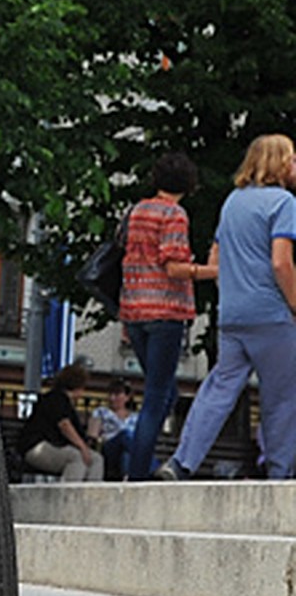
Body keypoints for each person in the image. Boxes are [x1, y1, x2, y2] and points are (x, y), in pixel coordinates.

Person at [158, 134, 296, 480]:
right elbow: (281, 263)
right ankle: (279, 475)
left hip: (233, 315)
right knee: (280, 399)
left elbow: (215, 260)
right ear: (277, 162)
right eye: (292, 159)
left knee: (218, 389)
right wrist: (294, 303)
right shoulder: (284, 203)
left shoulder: (232, 202)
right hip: (272, 314)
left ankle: (181, 463)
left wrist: (237, 289)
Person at [119, 152, 216, 479]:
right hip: (165, 313)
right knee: (157, 395)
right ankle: (137, 475)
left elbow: (130, 261)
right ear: (188, 183)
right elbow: (173, 267)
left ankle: (143, 464)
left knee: (164, 391)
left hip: (134, 312)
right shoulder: (175, 215)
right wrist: (211, 271)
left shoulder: (137, 211)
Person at [17, 361, 104, 481]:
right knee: (76, 458)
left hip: (52, 446)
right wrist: (82, 447)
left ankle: (89, 494)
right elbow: (64, 425)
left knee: (96, 459)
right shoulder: (57, 399)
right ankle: (68, 496)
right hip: (35, 446)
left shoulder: (65, 402)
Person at [86, 378, 136, 481]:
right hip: (109, 449)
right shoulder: (101, 412)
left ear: (127, 397)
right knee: (125, 435)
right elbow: (92, 436)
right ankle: (153, 467)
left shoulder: (135, 418)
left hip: (128, 453)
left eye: (117, 394)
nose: (112, 398)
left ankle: (126, 481)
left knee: (126, 454)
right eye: (110, 394)